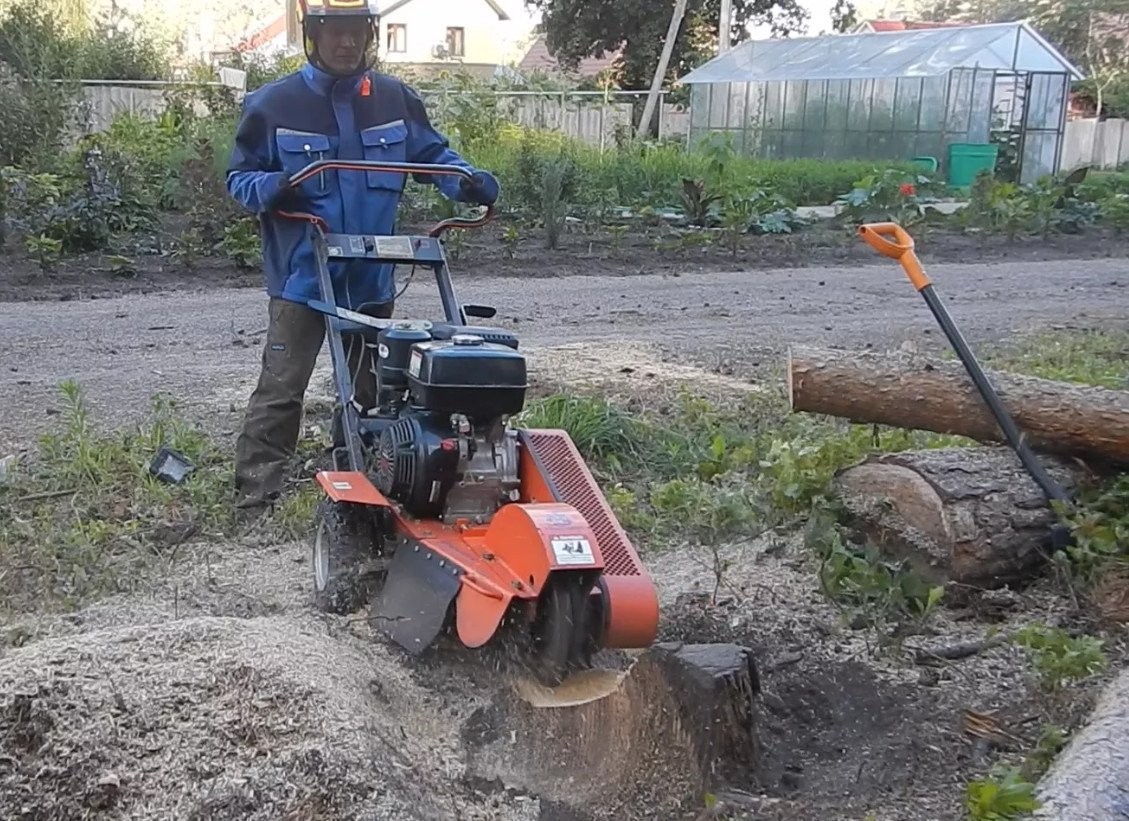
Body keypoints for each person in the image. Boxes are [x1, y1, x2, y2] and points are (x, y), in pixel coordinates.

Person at [225, 0, 499, 523]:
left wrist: (466, 181)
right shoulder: (273, 104)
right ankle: (255, 503)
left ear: (369, 34)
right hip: (304, 276)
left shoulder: (395, 99)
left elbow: (433, 158)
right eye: (334, 33)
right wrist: (274, 186)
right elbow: (239, 179)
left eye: (354, 32)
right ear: (313, 36)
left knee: (373, 387)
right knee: (282, 387)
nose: (345, 43)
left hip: (371, 275)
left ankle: (364, 480)